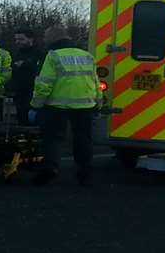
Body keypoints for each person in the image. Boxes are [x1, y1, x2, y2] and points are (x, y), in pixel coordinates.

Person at [31, 24, 101, 186]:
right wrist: (98, 103)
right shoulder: (87, 56)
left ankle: (51, 168)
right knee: (83, 139)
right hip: (85, 105)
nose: (44, 40)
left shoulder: (53, 56)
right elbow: (96, 82)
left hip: (57, 105)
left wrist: (36, 105)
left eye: (45, 37)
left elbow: (44, 84)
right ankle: (85, 172)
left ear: (52, 38)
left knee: (53, 138)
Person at [9, 27, 43, 127]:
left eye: (21, 39)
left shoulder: (39, 54)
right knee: (22, 123)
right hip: (19, 96)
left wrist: (25, 65)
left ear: (31, 39)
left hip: (34, 96)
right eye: (16, 39)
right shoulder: (16, 55)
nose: (17, 42)